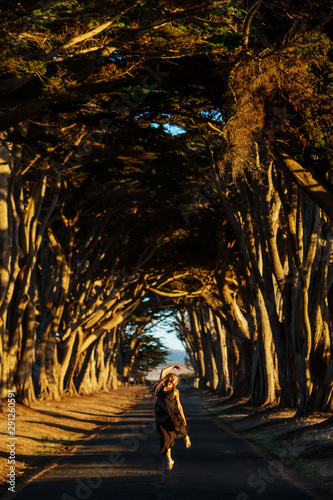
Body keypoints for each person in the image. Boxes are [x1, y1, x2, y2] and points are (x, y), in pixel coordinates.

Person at [149, 364, 191, 471]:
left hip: (171, 414)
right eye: (174, 379)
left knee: (179, 426)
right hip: (160, 416)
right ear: (169, 378)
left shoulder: (175, 392)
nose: (175, 381)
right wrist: (173, 366)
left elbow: (179, 406)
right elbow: (163, 370)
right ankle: (169, 460)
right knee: (165, 438)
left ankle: (186, 436)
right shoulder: (161, 386)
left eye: (177, 380)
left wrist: (184, 418)